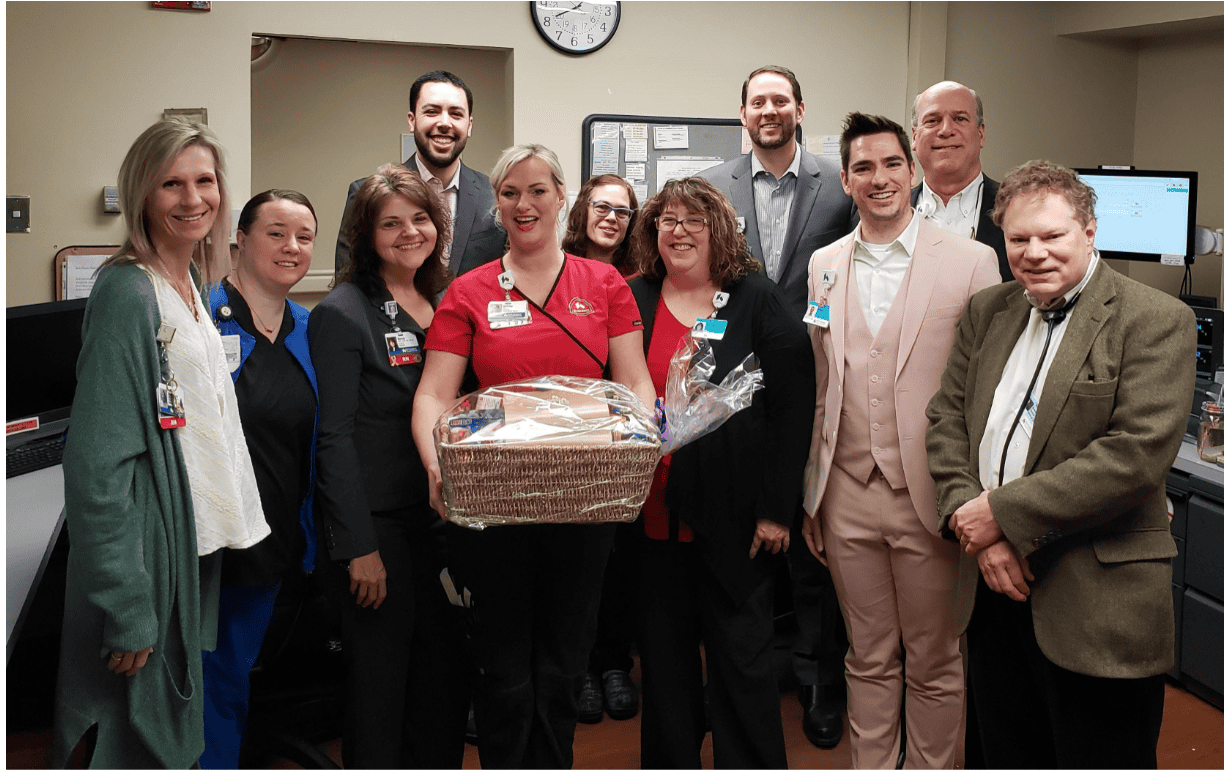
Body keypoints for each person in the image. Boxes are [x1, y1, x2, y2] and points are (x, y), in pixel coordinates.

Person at [926, 160, 1197, 769]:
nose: (1035, 253)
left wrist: (999, 513)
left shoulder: (1154, 320)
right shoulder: (987, 311)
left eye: (1053, 236)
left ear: (1090, 230)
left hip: (1096, 600)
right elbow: (946, 422)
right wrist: (979, 533)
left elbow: (1133, 457)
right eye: (1019, 239)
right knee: (1004, 753)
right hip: (994, 587)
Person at [411, 144, 654, 769]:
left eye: (538, 191)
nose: (525, 204)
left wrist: (639, 445)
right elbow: (436, 393)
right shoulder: (467, 292)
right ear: (497, 204)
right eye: (510, 193)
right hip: (496, 504)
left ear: (560, 198)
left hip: (584, 500)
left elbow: (634, 384)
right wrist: (438, 463)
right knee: (504, 666)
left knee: (565, 663)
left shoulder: (603, 285)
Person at [51, 117, 267, 768]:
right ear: (141, 193)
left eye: (204, 181)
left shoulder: (192, 290)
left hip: (188, 547)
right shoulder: (127, 290)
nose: (192, 198)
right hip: (145, 559)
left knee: (170, 736)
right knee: (136, 740)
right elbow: (97, 464)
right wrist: (127, 606)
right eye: (171, 183)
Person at [800, 113, 999, 769]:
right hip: (847, 494)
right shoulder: (824, 265)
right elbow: (826, 387)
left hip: (932, 495)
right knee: (867, 655)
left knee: (936, 658)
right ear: (847, 181)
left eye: (890, 164)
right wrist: (813, 494)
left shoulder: (972, 261)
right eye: (863, 168)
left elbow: (988, 390)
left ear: (912, 173)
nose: (878, 178)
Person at [627, 177, 815, 768]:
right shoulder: (634, 297)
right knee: (664, 669)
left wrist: (774, 510)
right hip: (651, 520)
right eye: (666, 220)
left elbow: (791, 408)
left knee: (743, 664)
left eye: (693, 220)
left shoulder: (756, 298)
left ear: (719, 231)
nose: (678, 231)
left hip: (736, 521)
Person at [700, 62, 857, 751]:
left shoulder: (837, 185)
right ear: (742, 113)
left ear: (799, 108)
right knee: (742, 531)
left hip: (815, 377)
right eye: (756, 101)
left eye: (779, 100)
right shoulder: (711, 185)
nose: (768, 110)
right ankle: (741, 677)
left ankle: (820, 677)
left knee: (810, 536)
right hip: (731, 388)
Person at [311, 165, 469, 768]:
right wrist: (358, 547)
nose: (410, 232)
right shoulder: (344, 312)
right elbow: (335, 439)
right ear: (365, 234)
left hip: (440, 520)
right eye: (391, 223)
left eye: (421, 218)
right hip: (379, 527)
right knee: (381, 682)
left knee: (443, 673)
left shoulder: (445, 299)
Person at [200, 190, 321, 768]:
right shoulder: (199, 320)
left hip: (290, 536)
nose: (291, 247)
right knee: (216, 675)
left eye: (303, 236)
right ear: (240, 241)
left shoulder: (311, 329)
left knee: (243, 668)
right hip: (222, 545)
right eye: (275, 232)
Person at [561, 173, 642, 723]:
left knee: (618, 561)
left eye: (623, 211)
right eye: (602, 206)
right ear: (582, 211)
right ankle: (581, 668)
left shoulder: (641, 280)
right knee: (572, 563)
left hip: (621, 443)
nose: (612, 217)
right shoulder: (555, 271)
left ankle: (614, 664)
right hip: (563, 442)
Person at [335, 70, 504, 276]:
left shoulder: (494, 194)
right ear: (412, 120)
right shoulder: (365, 193)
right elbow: (348, 280)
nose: (444, 123)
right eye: (432, 112)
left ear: (469, 126)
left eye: (456, 114)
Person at [910, 80, 1010, 282]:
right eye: (932, 120)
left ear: (980, 134)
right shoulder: (882, 215)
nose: (946, 130)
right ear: (914, 136)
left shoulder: (1016, 208)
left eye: (960, 119)